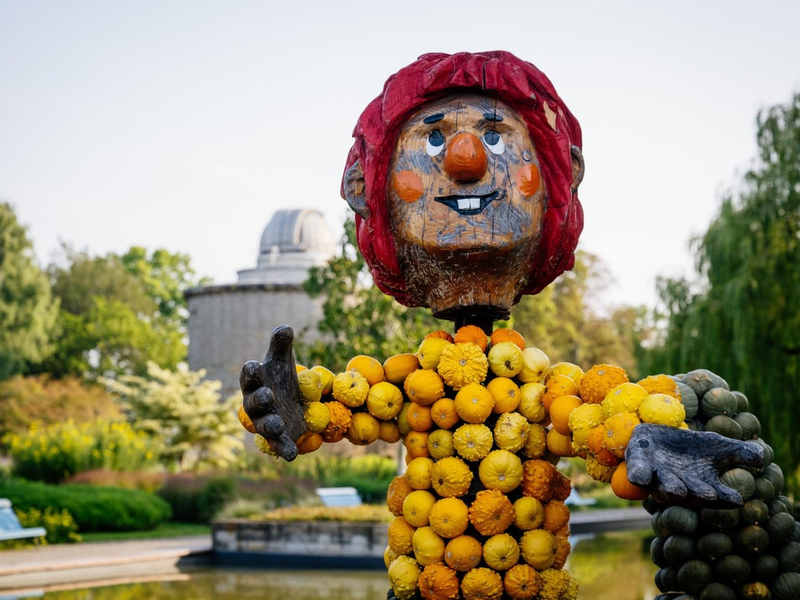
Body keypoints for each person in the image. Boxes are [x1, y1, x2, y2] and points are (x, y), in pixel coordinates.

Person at [239, 51, 763, 600]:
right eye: (434, 140)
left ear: (565, 175)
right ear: (363, 189)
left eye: (495, 137)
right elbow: (346, 405)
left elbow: (589, 415)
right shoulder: (414, 389)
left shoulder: (542, 392)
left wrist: (645, 438)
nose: (466, 161)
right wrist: (291, 407)